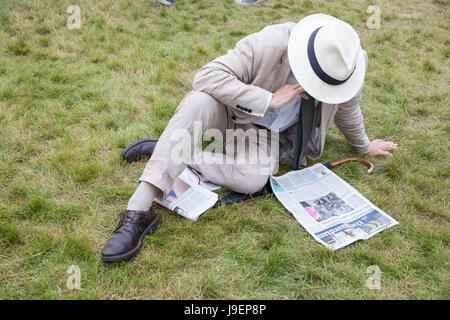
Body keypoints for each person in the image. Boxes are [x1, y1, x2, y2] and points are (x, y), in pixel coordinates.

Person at [101, 14, 397, 262]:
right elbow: (205, 77)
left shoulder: (348, 68)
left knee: (251, 180)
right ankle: (138, 210)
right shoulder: (273, 41)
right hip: (227, 111)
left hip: (265, 134)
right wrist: (268, 99)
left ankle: (172, 150)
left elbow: (347, 109)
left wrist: (364, 145)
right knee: (196, 102)